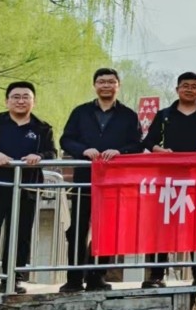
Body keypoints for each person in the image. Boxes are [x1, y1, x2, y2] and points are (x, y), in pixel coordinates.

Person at [59, 68, 143, 293]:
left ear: (118, 86)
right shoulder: (81, 112)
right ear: (95, 85)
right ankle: (74, 278)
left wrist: (120, 152)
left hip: (113, 182)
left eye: (111, 82)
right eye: (101, 82)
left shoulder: (128, 115)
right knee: (77, 229)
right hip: (84, 180)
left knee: (106, 229)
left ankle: (98, 277)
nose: (106, 85)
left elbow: (138, 144)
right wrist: (83, 150)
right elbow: (66, 140)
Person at [0, 81, 56, 294]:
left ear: (33, 102)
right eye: (16, 97)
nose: (20, 101)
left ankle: (13, 279)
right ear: (7, 101)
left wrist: (39, 156)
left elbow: (52, 153)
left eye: (26, 97)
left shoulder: (42, 128)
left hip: (27, 187)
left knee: (21, 234)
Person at [142, 71, 196, 287]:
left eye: (194, 86)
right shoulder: (164, 115)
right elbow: (148, 141)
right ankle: (156, 275)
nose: (189, 89)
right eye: (185, 86)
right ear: (177, 89)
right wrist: (160, 150)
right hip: (167, 179)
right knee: (162, 226)